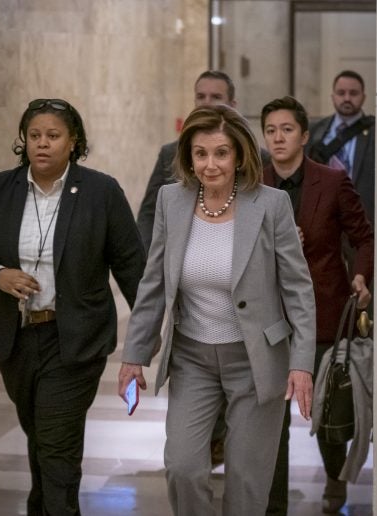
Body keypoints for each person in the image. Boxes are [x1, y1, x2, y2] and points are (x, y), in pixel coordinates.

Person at [118, 104, 317, 516]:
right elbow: (153, 283)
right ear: (188, 156)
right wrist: (134, 354)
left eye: (221, 153)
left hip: (257, 359)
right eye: (200, 153)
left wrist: (302, 363)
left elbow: (298, 289)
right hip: (193, 357)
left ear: (239, 154)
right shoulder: (171, 201)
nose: (211, 165)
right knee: (184, 468)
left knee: (246, 480)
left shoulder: (271, 205)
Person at [0, 98, 146, 515]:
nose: (42, 144)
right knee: (39, 435)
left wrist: (146, 339)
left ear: (73, 141)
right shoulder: (0, 188)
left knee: (57, 443)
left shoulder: (100, 191)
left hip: (74, 338)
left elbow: (131, 265)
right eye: (34, 135)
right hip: (15, 337)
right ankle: (42, 506)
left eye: (53, 136)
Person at [262, 96, 374, 513]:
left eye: (286, 129)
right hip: (271, 317)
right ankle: (274, 504)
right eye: (271, 130)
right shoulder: (256, 183)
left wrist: (361, 276)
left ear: (305, 136)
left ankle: (334, 477)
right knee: (274, 419)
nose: (278, 137)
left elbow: (364, 236)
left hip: (325, 309)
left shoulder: (331, 181)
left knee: (326, 409)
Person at [136, 70, 270, 252]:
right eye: (200, 96)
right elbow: (148, 214)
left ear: (232, 104)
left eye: (216, 96)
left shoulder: (259, 158)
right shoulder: (169, 153)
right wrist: (149, 258)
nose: (206, 102)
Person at [304, 69, 375, 230]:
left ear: (363, 97)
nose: (347, 98)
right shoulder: (314, 130)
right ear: (333, 97)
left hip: (361, 221)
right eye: (341, 93)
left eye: (353, 93)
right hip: (322, 220)